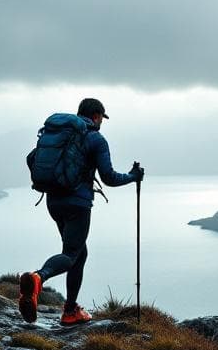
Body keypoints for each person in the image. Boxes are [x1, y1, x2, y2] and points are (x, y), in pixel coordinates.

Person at [19, 98, 144, 325]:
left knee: (79, 253)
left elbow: (31, 158)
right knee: (72, 254)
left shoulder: (61, 136)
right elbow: (109, 178)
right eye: (102, 118)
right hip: (77, 204)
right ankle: (38, 278)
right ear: (97, 116)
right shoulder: (95, 138)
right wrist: (133, 176)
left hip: (53, 201)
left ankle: (70, 309)